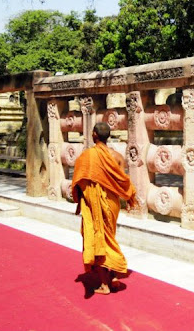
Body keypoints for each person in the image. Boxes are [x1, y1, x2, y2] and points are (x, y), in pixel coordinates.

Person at [71, 122, 137, 295]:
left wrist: (81, 198)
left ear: (94, 135)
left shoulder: (87, 156)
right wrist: (129, 197)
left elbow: (78, 179)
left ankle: (104, 284)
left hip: (95, 203)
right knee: (109, 237)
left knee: (98, 237)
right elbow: (124, 181)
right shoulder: (117, 157)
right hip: (112, 204)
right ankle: (114, 277)